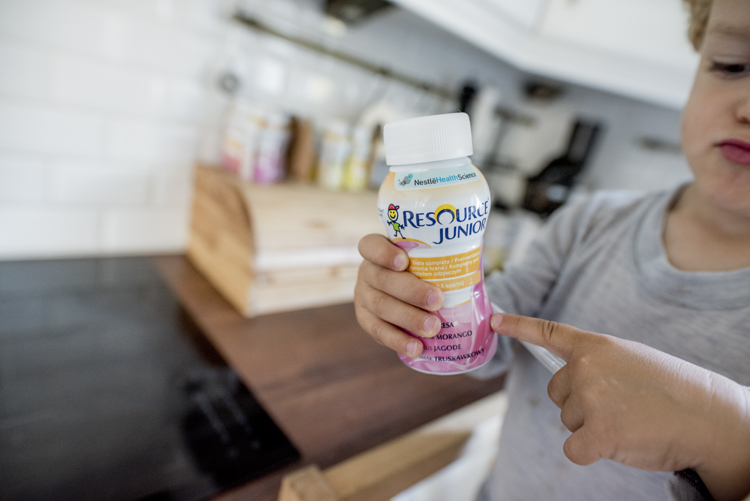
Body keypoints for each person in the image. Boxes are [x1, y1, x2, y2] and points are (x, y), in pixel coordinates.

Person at [353, 0, 750, 499]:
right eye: (732, 65)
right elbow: (492, 337)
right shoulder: (590, 222)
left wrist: (732, 433)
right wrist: (416, 305)